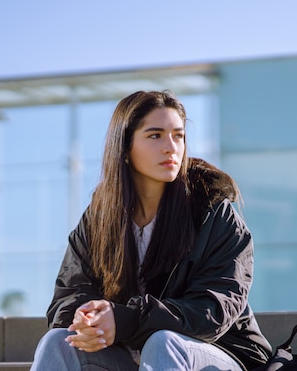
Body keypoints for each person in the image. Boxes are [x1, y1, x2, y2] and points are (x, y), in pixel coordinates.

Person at [30, 90, 272, 371]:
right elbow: (69, 295)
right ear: (125, 146)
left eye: (178, 135)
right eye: (155, 135)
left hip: (220, 352)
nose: (171, 147)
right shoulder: (99, 219)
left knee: (163, 342)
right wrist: (87, 319)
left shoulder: (212, 213)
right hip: (132, 353)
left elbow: (213, 311)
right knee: (58, 341)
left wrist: (125, 320)